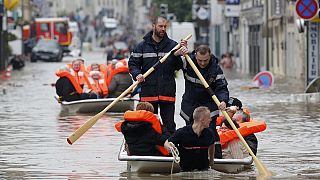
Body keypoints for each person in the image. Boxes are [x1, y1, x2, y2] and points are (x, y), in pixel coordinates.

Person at [128, 16, 187, 134]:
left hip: (167, 92)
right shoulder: (141, 46)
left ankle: (169, 147)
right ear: (153, 26)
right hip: (148, 92)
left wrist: (179, 55)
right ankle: (149, 147)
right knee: (148, 124)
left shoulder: (173, 46)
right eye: (160, 26)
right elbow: (133, 64)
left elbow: (178, 66)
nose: (163, 29)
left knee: (169, 125)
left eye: (165, 26)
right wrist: (137, 74)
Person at [179, 45, 229, 159]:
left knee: (210, 132)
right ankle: (189, 158)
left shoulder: (215, 69)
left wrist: (223, 101)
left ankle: (216, 159)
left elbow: (222, 88)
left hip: (209, 105)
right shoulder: (188, 62)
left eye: (205, 60)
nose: (202, 63)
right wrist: (179, 52)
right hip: (190, 105)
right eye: (200, 60)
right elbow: (172, 62)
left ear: (210, 55)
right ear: (195, 55)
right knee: (190, 132)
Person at [164, 106, 214, 171]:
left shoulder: (209, 133)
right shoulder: (182, 132)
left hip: (204, 170)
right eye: (209, 117)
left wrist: (211, 160)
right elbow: (166, 143)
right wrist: (169, 147)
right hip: (186, 170)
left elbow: (212, 144)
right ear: (202, 120)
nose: (211, 119)